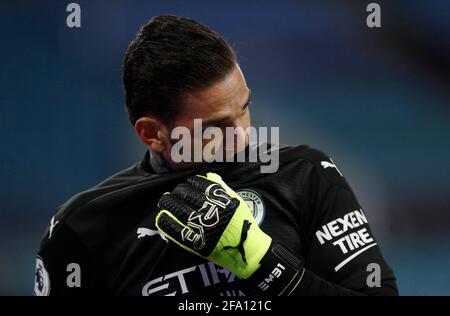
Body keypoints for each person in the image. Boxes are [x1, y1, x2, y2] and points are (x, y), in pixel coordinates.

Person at [35, 15, 398, 296]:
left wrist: (260, 262)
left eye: (245, 108)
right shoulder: (82, 228)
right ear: (152, 133)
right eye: (217, 126)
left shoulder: (306, 176)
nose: (243, 136)